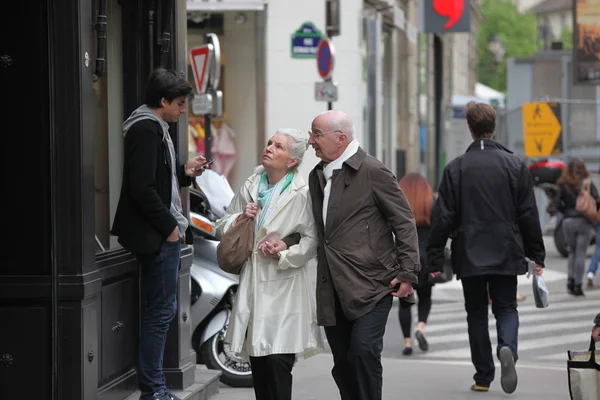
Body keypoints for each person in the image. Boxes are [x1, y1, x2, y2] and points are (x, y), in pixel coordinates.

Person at [426, 101, 546, 394]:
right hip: (506, 248)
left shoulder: (456, 168)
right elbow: (528, 213)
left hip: (469, 250)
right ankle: (508, 348)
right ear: (494, 128)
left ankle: (483, 376)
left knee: (476, 313)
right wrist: (536, 254)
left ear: (470, 128)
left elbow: (443, 216)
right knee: (506, 307)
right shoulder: (515, 165)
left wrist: (434, 258)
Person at [307, 110, 420, 400]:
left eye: (316, 134)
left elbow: (403, 221)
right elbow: (319, 229)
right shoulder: (317, 175)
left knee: (363, 353)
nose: (311, 141)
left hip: (373, 284)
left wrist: (407, 273)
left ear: (341, 138)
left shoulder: (372, 171)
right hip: (333, 286)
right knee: (343, 364)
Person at [110, 68, 208, 400]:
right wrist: (169, 228)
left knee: (161, 310)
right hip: (157, 235)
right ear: (163, 101)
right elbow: (142, 187)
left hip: (158, 233)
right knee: (161, 312)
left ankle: (155, 388)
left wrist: (184, 172)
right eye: (179, 104)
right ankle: (154, 390)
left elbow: (154, 179)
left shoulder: (154, 128)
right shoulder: (147, 129)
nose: (183, 111)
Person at [215, 129, 324, 400]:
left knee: (277, 362)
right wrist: (241, 218)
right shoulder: (251, 184)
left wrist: (285, 251)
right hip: (253, 283)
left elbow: (313, 240)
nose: (270, 148)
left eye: (279, 147)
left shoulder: (302, 193)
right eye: (270, 143)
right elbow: (222, 225)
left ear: (292, 161)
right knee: (259, 362)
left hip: (284, 286)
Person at [397, 173, 437, 356]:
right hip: (426, 257)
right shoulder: (431, 202)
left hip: (404, 257)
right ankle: (420, 327)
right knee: (426, 296)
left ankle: (407, 343)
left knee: (405, 300)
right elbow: (439, 231)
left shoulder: (398, 202)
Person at [547, 159, 600, 296]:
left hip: (567, 222)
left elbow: (555, 204)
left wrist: (565, 212)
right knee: (581, 254)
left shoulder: (563, 184)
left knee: (572, 252)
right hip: (584, 222)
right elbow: (597, 200)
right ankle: (577, 285)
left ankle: (570, 281)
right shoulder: (587, 182)